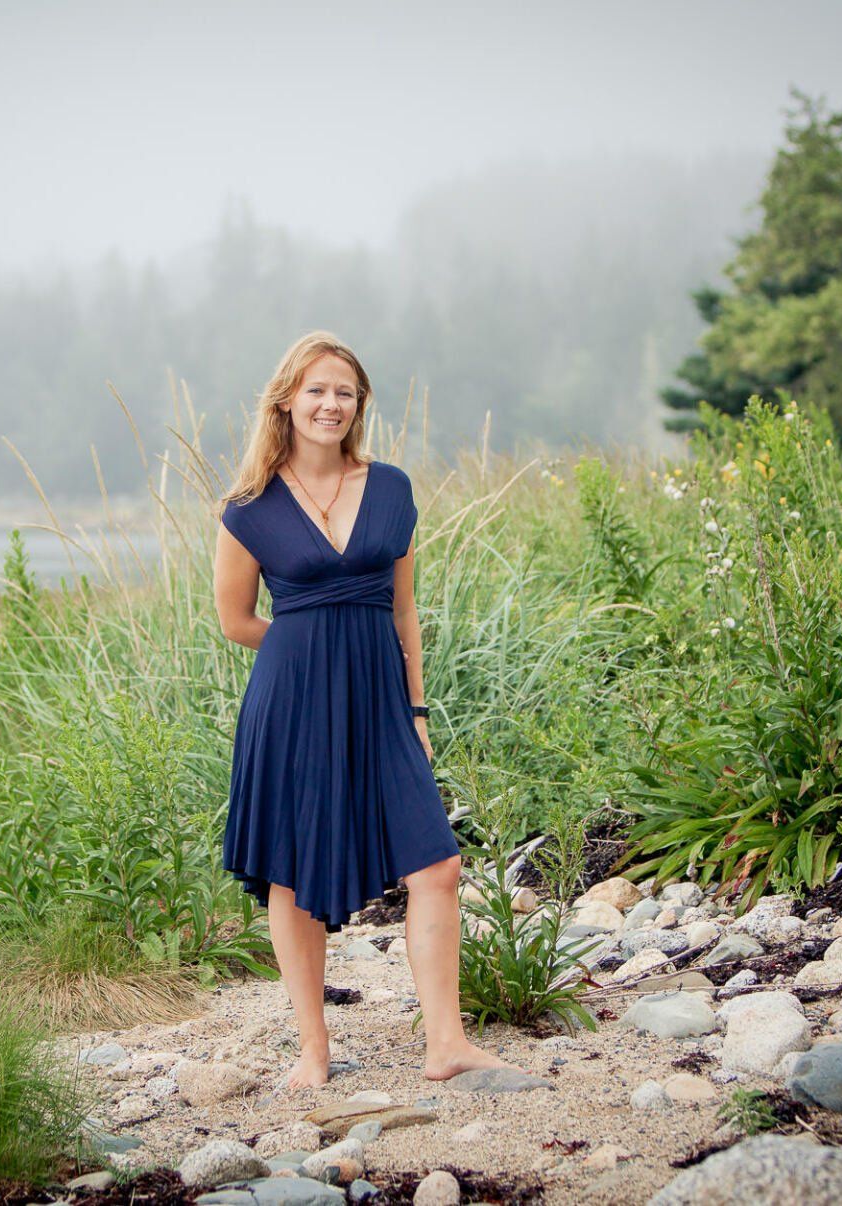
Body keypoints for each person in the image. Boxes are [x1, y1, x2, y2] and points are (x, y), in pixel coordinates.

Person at [212, 330, 522, 1090]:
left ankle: (446, 1044)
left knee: (439, 864)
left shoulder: (391, 489)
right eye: (317, 389)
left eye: (345, 393)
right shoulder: (248, 508)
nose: (331, 404)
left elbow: (404, 613)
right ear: (287, 399)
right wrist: (306, 654)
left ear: (359, 406)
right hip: (291, 703)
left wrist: (415, 707)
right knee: (291, 872)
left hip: (384, 698)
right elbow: (235, 620)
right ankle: (312, 1052)